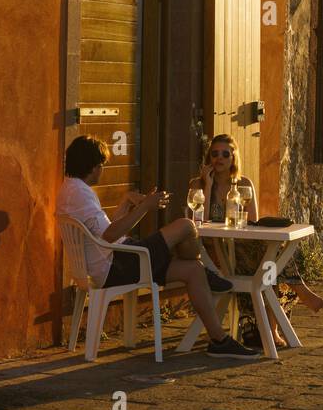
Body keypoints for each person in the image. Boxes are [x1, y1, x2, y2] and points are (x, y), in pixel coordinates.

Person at [57, 135, 259, 360]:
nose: (101, 171)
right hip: (118, 265)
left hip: (118, 260)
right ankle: (211, 270)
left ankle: (219, 340)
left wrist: (126, 202)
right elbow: (111, 235)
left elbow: (107, 233)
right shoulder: (81, 193)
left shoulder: (71, 189)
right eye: (101, 166)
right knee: (185, 226)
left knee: (193, 270)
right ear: (92, 166)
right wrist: (145, 207)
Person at [191, 134, 323, 350]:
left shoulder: (243, 185)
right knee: (270, 262)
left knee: (270, 264)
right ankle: (298, 293)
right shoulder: (197, 185)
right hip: (214, 253)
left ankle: (271, 329)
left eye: (225, 154)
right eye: (214, 154)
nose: (219, 158)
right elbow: (200, 222)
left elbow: (252, 223)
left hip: (242, 247)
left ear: (233, 157)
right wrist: (207, 186)